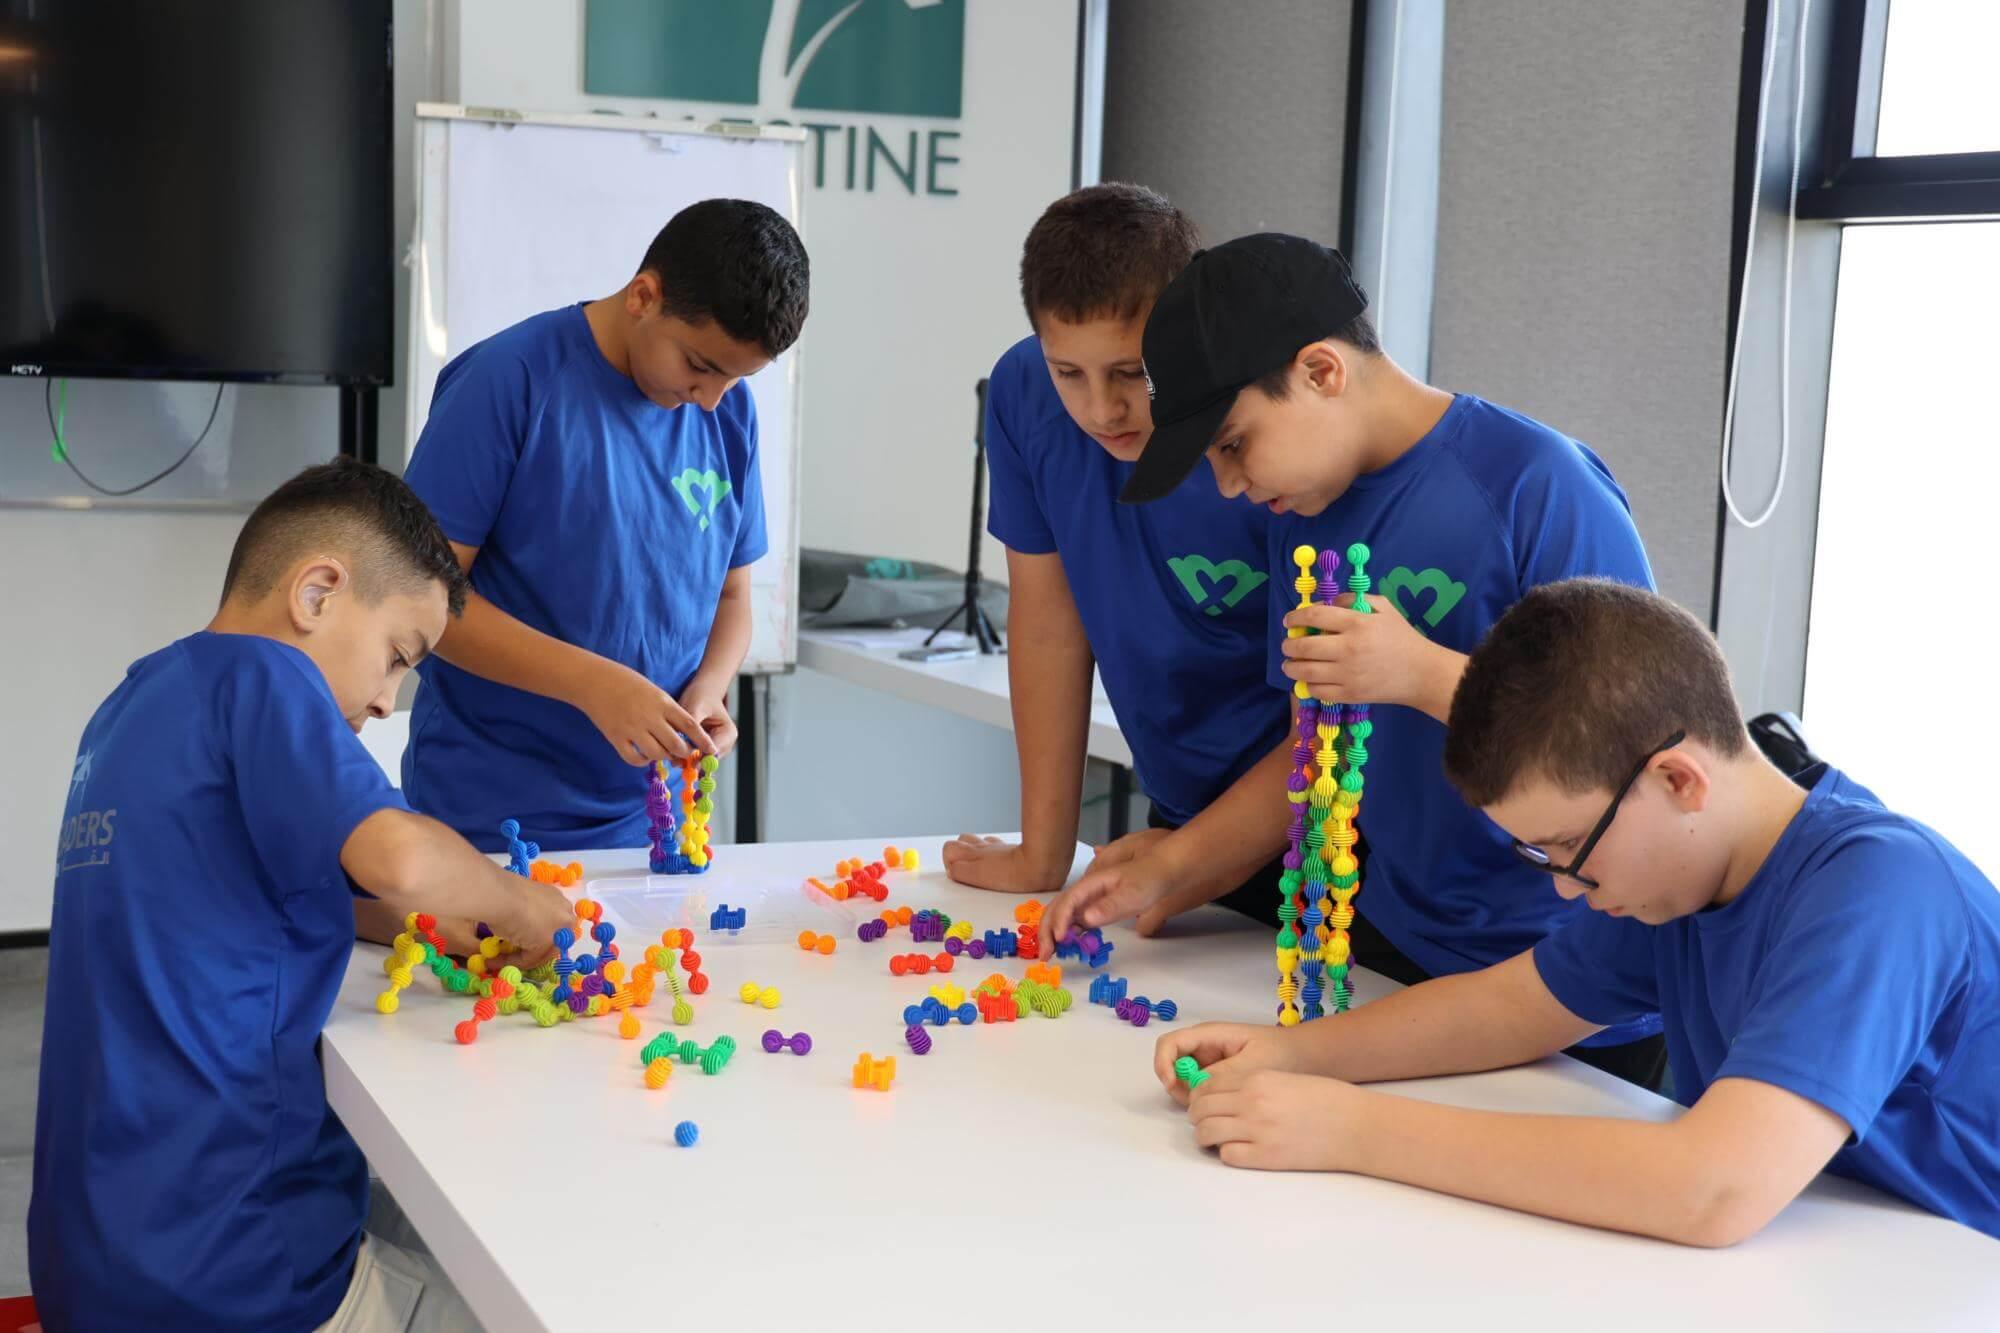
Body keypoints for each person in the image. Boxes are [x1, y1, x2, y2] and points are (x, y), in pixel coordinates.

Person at [1156, 579, 2000, 1245]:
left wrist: (1352, 1130)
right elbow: (1512, 1006)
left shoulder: (1882, 890)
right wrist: (1292, 1054)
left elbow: (1714, 1186)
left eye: (1569, 846)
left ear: (1678, 780)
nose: (1565, 888)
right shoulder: (1684, 877)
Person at [1051, 232, 1666, 1086]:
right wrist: (1173, 866)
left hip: (1570, 982)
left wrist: (1421, 674)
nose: (1228, 485)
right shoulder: (1304, 513)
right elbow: (1312, 747)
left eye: (1234, 443)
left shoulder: (1539, 486)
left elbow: (1638, 750)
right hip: (1392, 955)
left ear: (1321, 372)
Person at [30, 459, 578, 1328]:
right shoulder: (264, 675)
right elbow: (399, 856)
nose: (389, 701)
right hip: (232, 1274)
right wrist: (523, 905)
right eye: (397, 657)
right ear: (317, 593)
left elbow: (232, 889)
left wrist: (428, 923)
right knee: (531, 1297)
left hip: (93, 1263)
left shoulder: (130, 706)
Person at [402, 198, 809, 850]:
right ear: (644, 296)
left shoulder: (729, 414)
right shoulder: (509, 381)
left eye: (735, 380)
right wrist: (592, 685)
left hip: (658, 824)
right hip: (490, 818)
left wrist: (709, 689)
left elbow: (733, 597)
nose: (710, 400)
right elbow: (418, 599)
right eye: (700, 367)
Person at [942, 184, 1287, 922]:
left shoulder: (1269, 426)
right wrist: (1043, 852)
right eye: (1068, 372)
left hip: (1324, 827)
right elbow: (1047, 624)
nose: (1100, 410)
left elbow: (1341, 718)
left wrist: (1197, 859)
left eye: (1132, 372)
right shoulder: (1021, 392)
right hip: (1178, 817)